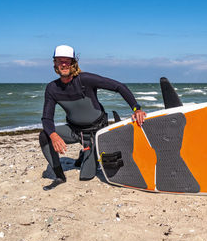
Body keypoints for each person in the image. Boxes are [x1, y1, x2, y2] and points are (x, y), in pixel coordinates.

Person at [39, 45, 146, 190]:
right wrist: (53, 135)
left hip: (96, 131)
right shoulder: (52, 88)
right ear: (55, 64)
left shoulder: (85, 79)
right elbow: (46, 118)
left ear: (73, 63)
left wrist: (136, 108)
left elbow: (119, 86)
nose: (63, 64)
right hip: (74, 131)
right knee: (44, 135)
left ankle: (86, 153)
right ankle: (59, 176)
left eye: (67, 61)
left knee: (86, 176)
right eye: (59, 61)